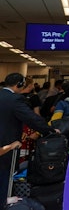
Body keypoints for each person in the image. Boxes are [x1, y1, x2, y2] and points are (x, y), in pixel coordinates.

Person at [0, 73, 58, 205]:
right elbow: (31, 118)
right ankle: (2, 201)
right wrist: (49, 130)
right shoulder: (15, 99)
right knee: (3, 172)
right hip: (7, 142)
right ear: (19, 85)